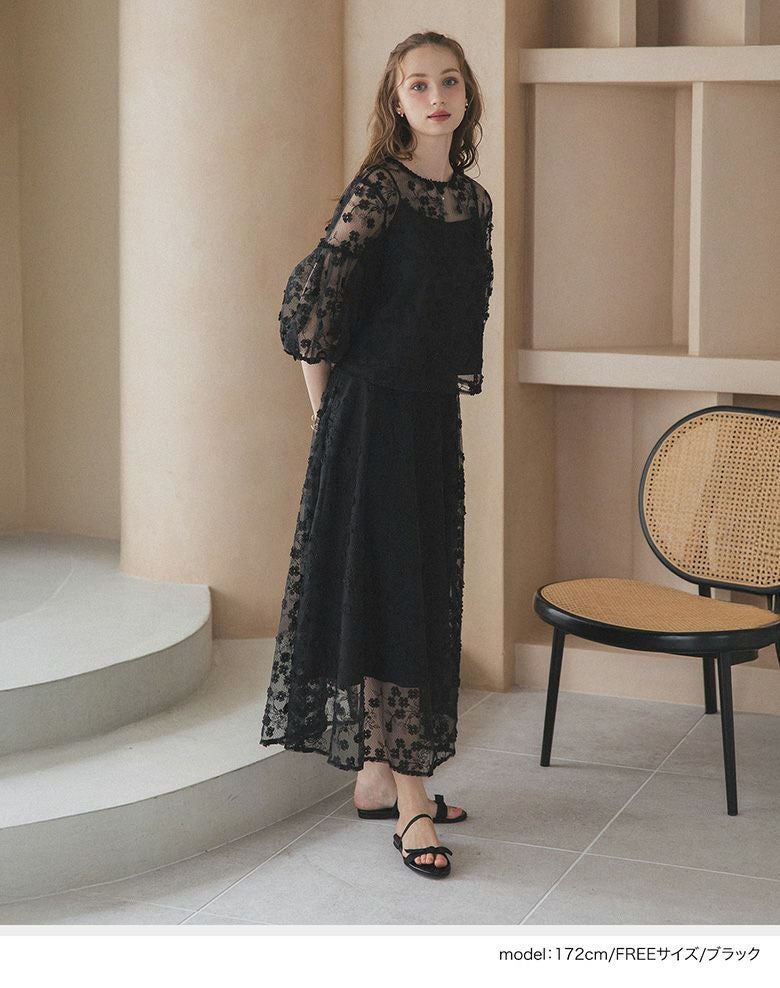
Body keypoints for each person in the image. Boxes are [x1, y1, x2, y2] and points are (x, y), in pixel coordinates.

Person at [260, 30, 493, 880]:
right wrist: (327, 423)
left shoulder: (472, 203)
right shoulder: (379, 190)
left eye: (449, 82)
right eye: (418, 85)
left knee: (418, 587)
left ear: (466, 96)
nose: (436, 96)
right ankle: (412, 803)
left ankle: (374, 778)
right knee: (392, 594)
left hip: (428, 421)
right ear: (396, 102)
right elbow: (313, 315)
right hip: (367, 419)